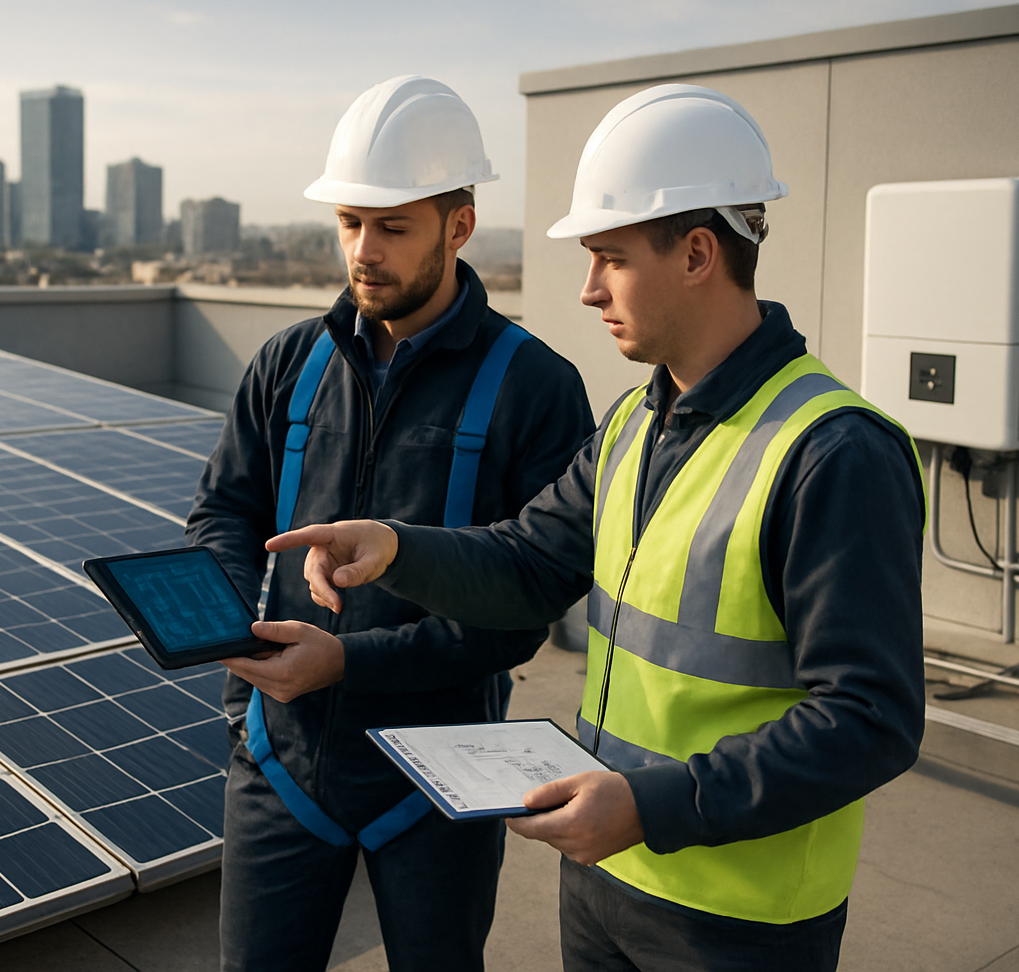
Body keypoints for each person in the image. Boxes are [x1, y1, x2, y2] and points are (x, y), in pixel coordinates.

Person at [267, 84, 927, 972]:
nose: (587, 290)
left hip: (737, 919)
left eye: (610, 258)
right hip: (608, 878)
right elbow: (528, 563)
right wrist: (397, 546)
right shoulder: (635, 424)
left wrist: (653, 806)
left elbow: (871, 718)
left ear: (697, 253)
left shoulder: (833, 452)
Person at [186, 74, 594, 972]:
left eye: (394, 227)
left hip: (443, 774)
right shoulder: (289, 363)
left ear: (460, 225)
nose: (363, 251)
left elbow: (524, 608)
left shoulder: (535, 387)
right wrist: (227, 626)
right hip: (281, 756)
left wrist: (347, 662)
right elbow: (225, 509)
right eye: (349, 222)